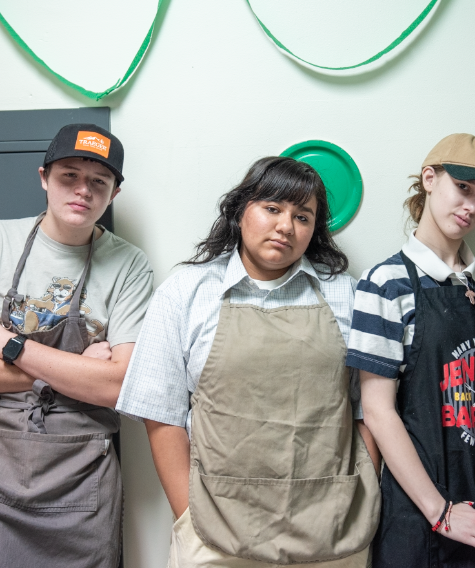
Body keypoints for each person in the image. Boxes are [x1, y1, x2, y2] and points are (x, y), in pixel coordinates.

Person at [116, 156, 381, 567]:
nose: (286, 227)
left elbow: (368, 410)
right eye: (272, 208)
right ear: (241, 212)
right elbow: (161, 415)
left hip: (331, 530)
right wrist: (189, 517)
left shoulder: (347, 295)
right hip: (213, 531)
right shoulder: (186, 291)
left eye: (303, 216)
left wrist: (358, 501)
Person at [0, 123, 153, 568]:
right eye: (69, 175)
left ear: (114, 194)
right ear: (44, 177)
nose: (83, 190)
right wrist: (78, 369)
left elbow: (118, 386)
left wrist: (10, 345)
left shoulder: (129, 263)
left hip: (81, 477)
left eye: (98, 182)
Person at [348, 133, 475, 567]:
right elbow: (378, 411)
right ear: (429, 179)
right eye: (463, 188)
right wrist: (441, 512)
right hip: (422, 518)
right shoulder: (386, 283)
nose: (472, 206)